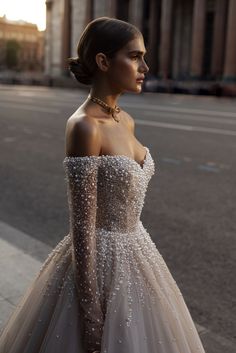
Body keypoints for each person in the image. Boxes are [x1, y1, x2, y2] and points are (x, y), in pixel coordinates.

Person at [0, 17, 206, 353]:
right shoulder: (84, 127)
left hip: (139, 249)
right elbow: (82, 226)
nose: (145, 66)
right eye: (135, 56)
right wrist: (90, 309)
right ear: (103, 61)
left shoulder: (125, 119)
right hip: (99, 260)